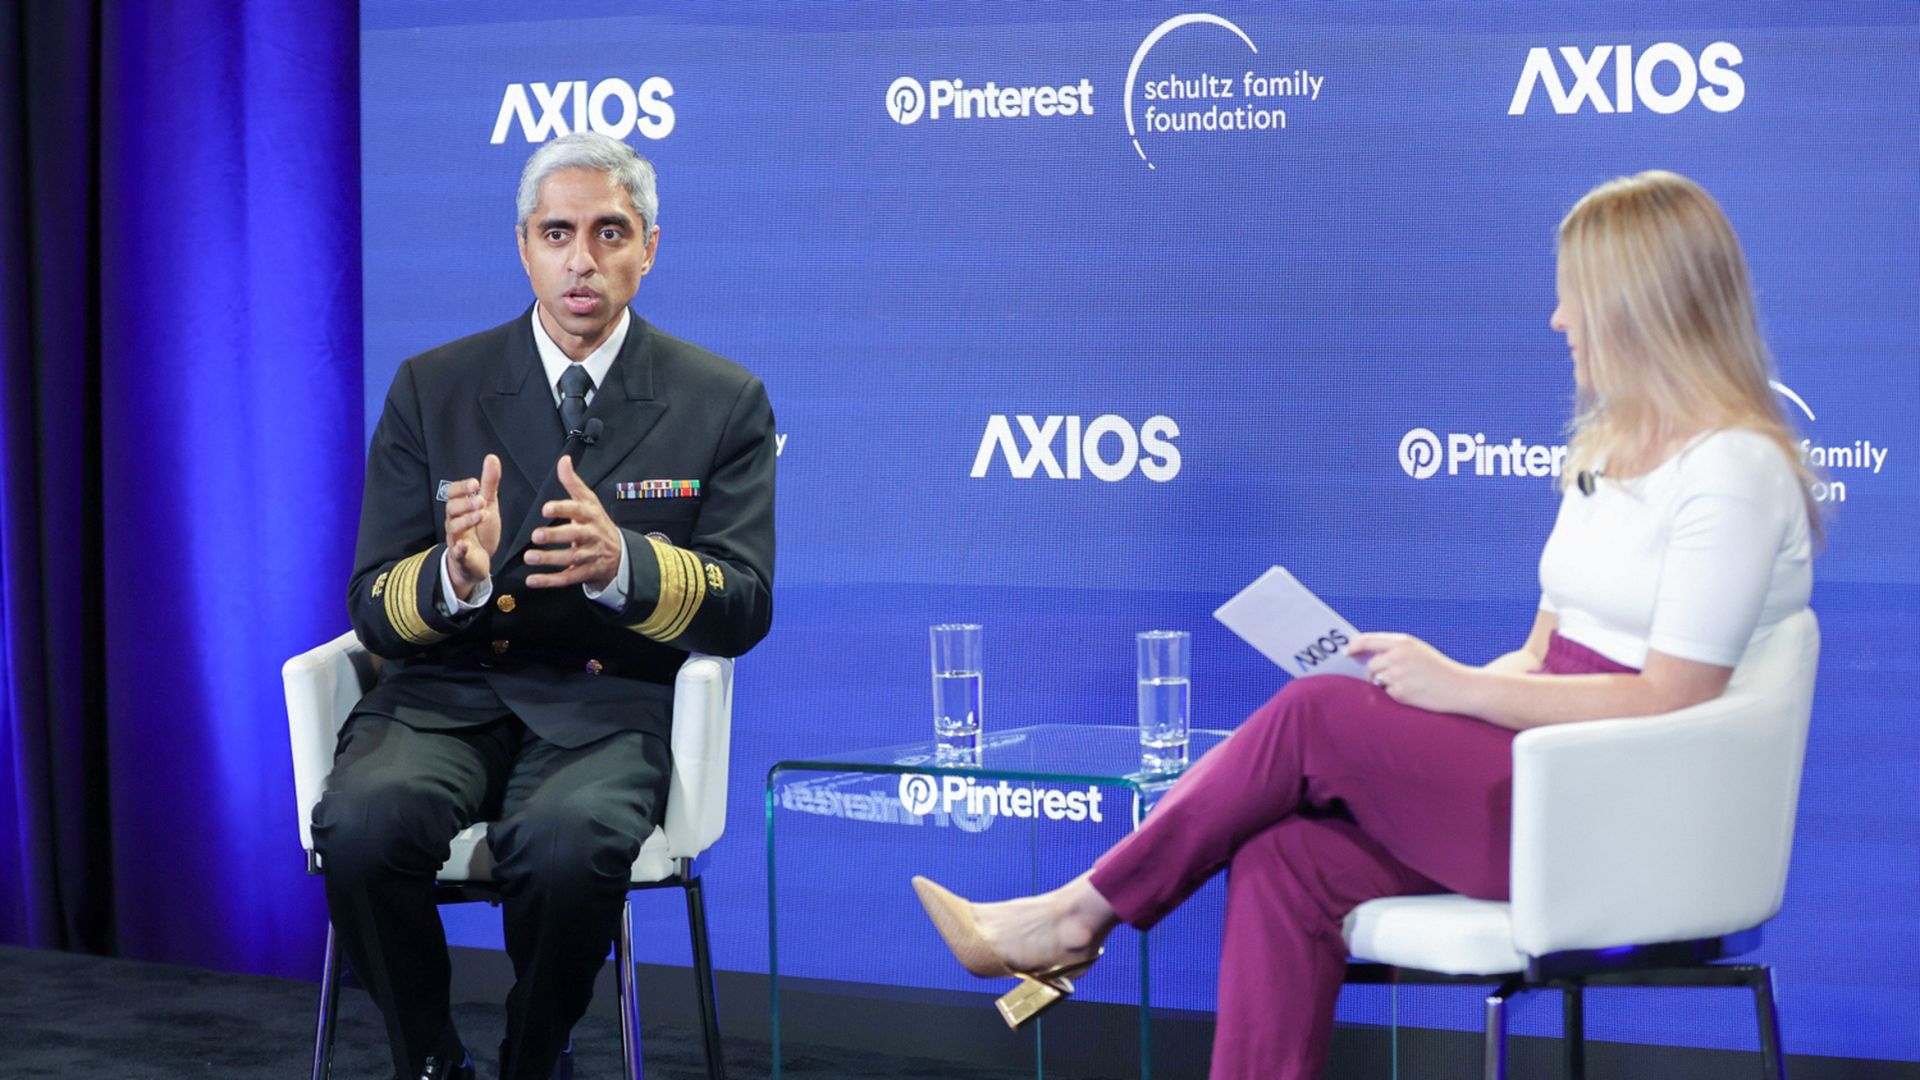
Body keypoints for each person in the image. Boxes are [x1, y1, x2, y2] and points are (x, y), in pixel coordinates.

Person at [912, 170, 1817, 1079]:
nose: (1558, 321)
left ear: (1639, 305)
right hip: (1548, 781)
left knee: (1315, 714)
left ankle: (1072, 917)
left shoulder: (1734, 468)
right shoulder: (1607, 453)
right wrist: (1430, 699)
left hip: (1626, 819)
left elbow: (1674, 694)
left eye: (1574, 296)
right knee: (1284, 855)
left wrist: (1459, 689)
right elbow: (1543, 657)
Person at [311, 131, 776, 1080]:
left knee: (565, 848)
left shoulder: (720, 399)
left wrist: (625, 567)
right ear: (523, 246)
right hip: (444, 696)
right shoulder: (432, 386)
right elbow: (369, 605)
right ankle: (432, 1059)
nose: (582, 258)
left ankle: (535, 1056)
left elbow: (745, 603)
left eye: (610, 233)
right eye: (557, 233)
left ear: (649, 248)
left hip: (607, 711)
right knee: (359, 824)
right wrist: (454, 579)